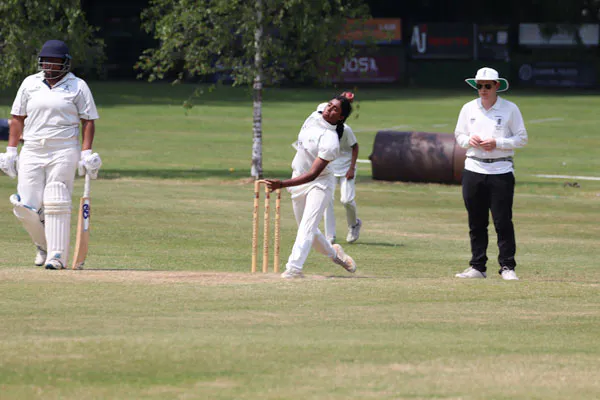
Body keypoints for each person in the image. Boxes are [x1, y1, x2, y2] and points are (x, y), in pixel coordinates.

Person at [0, 39, 102, 270]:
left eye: (55, 62)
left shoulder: (78, 86)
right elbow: (17, 118)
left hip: (63, 149)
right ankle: (43, 245)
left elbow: (88, 121)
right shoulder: (29, 83)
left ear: (65, 63)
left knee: (56, 197)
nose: (50, 65)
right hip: (33, 148)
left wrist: (86, 153)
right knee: (25, 206)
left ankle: (56, 255)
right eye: (46, 61)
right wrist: (10, 151)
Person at [262, 95, 357, 279]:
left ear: (341, 118)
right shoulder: (318, 112)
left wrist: (281, 184)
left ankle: (294, 269)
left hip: (319, 183)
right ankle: (335, 254)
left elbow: (313, 174)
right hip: (298, 179)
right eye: (330, 105)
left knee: (307, 226)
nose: (329, 109)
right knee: (309, 233)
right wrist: (344, 98)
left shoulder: (330, 141)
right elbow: (334, 102)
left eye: (335, 109)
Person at [454, 67, 528, 280]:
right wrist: (470, 141)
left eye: (487, 86)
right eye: (479, 86)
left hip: (501, 169)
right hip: (473, 169)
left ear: (497, 86)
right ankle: (478, 267)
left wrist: (498, 143)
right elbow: (459, 135)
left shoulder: (510, 109)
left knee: (502, 220)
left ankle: (507, 267)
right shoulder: (468, 108)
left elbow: (522, 138)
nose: (483, 90)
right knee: (476, 222)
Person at [321, 92, 361, 244]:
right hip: (330, 168)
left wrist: (351, 168)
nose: (329, 109)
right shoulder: (323, 125)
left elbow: (355, 147)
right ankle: (330, 236)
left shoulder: (346, 130)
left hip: (346, 169)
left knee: (347, 200)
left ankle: (354, 224)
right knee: (327, 200)